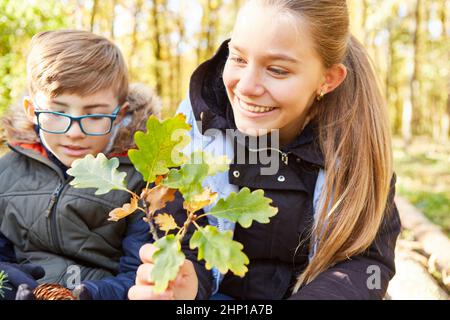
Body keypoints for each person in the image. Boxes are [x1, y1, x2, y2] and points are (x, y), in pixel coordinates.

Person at [129, 0, 402, 300]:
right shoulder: (192, 133)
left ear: (328, 79)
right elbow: (181, 233)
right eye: (239, 58)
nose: (246, 86)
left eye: (276, 70)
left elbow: (366, 263)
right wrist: (187, 282)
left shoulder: (355, 146)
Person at [0, 30, 161, 300]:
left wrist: (91, 295)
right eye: (57, 112)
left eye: (94, 115)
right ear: (32, 110)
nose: (74, 132)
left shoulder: (140, 182)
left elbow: (140, 274)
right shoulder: (6, 173)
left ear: (118, 114)